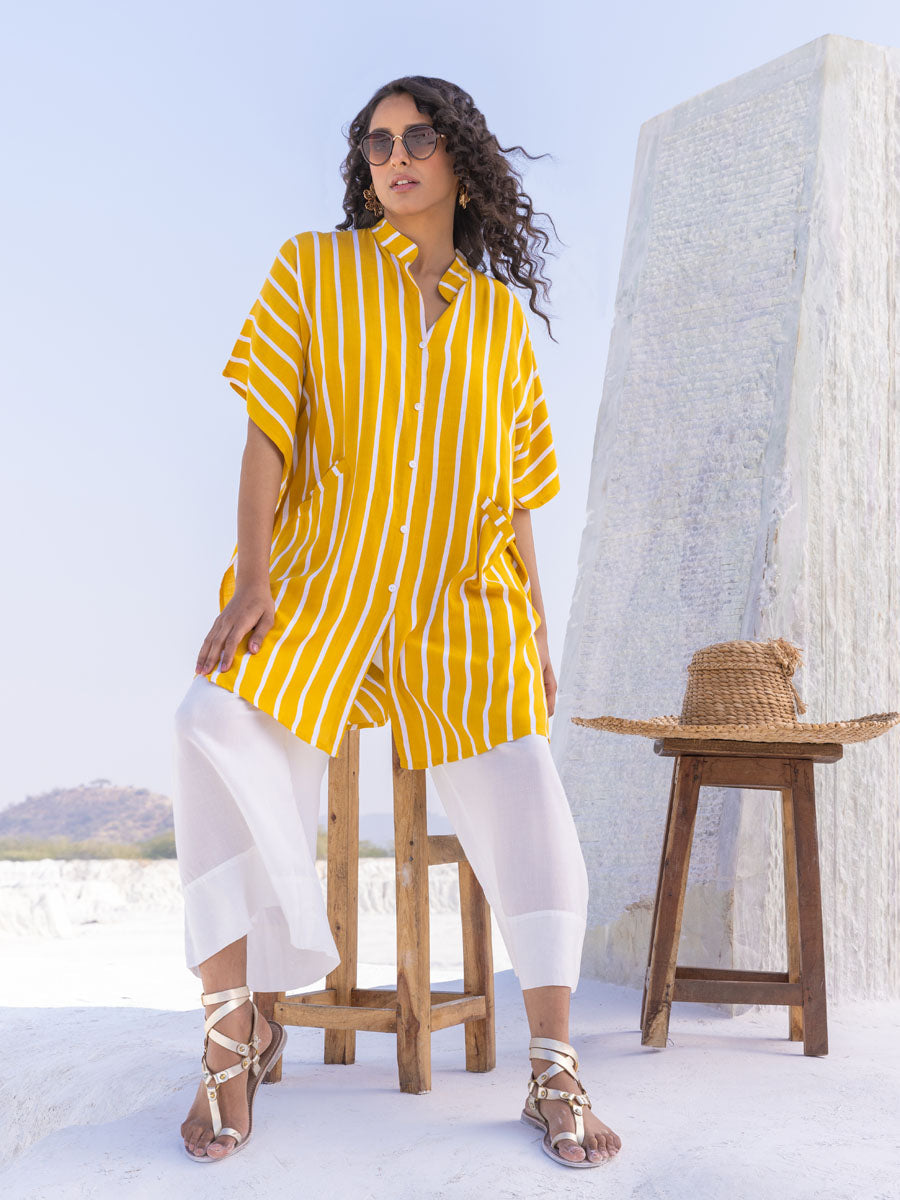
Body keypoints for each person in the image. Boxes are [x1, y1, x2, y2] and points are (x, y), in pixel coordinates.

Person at [173, 74, 622, 1169]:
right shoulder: (312, 271)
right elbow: (267, 432)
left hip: (462, 605)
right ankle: (233, 1034)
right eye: (376, 144)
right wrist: (252, 579)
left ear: (460, 158)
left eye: (418, 137)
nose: (396, 157)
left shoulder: (499, 324)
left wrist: (536, 629)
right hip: (321, 588)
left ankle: (554, 1066)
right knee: (208, 721)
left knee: (525, 780)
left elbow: (517, 496)